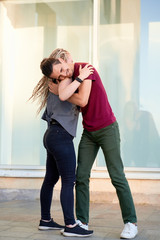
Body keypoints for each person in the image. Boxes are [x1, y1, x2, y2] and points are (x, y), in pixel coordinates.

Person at [41, 49, 138, 239]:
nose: (63, 74)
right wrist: (62, 87)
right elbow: (62, 94)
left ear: (63, 59)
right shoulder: (66, 77)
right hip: (89, 132)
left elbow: (82, 100)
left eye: (62, 69)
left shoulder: (85, 69)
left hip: (107, 128)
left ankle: (131, 222)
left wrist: (65, 90)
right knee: (81, 176)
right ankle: (82, 222)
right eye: (59, 75)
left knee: (117, 175)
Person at [29, 48, 93, 237]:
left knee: (50, 179)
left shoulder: (56, 80)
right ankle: (71, 226)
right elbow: (79, 100)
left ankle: (46, 220)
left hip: (51, 135)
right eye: (69, 61)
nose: (70, 67)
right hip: (60, 136)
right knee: (68, 180)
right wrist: (81, 77)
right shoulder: (64, 81)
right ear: (62, 59)